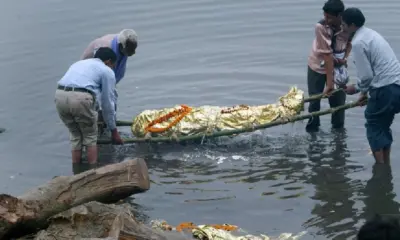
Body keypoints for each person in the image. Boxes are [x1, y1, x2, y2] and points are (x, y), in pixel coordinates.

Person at [343, 7, 400, 164]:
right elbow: (375, 71)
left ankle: (381, 170)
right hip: (397, 86)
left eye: (344, 24)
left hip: (385, 89)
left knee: (373, 125)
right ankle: (386, 164)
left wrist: (355, 89)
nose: (342, 27)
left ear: (352, 25)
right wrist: (364, 94)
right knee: (383, 126)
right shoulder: (371, 34)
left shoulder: (358, 42)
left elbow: (367, 76)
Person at [55, 47, 124, 166]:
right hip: (80, 98)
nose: (113, 68)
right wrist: (114, 131)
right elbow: (107, 103)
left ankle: (76, 172)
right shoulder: (106, 70)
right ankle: (93, 174)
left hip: (59, 96)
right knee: (90, 137)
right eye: (113, 65)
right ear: (108, 62)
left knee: (76, 136)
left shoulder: (79, 63)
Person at [306, 0, 353, 132]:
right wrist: (330, 84)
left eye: (330, 17)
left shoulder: (349, 26)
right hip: (318, 66)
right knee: (314, 102)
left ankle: (338, 133)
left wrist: (344, 58)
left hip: (338, 67)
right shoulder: (321, 27)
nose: (326, 19)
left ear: (339, 16)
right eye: (325, 16)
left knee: (338, 104)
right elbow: (327, 56)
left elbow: (349, 44)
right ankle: (312, 130)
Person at [81, 29, 138, 133]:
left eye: (134, 50)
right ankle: (98, 127)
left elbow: (115, 76)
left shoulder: (124, 43)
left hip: (107, 74)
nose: (133, 53)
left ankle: (109, 125)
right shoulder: (104, 47)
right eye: (130, 50)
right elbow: (99, 73)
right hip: (90, 78)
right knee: (99, 103)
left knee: (111, 100)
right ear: (121, 46)